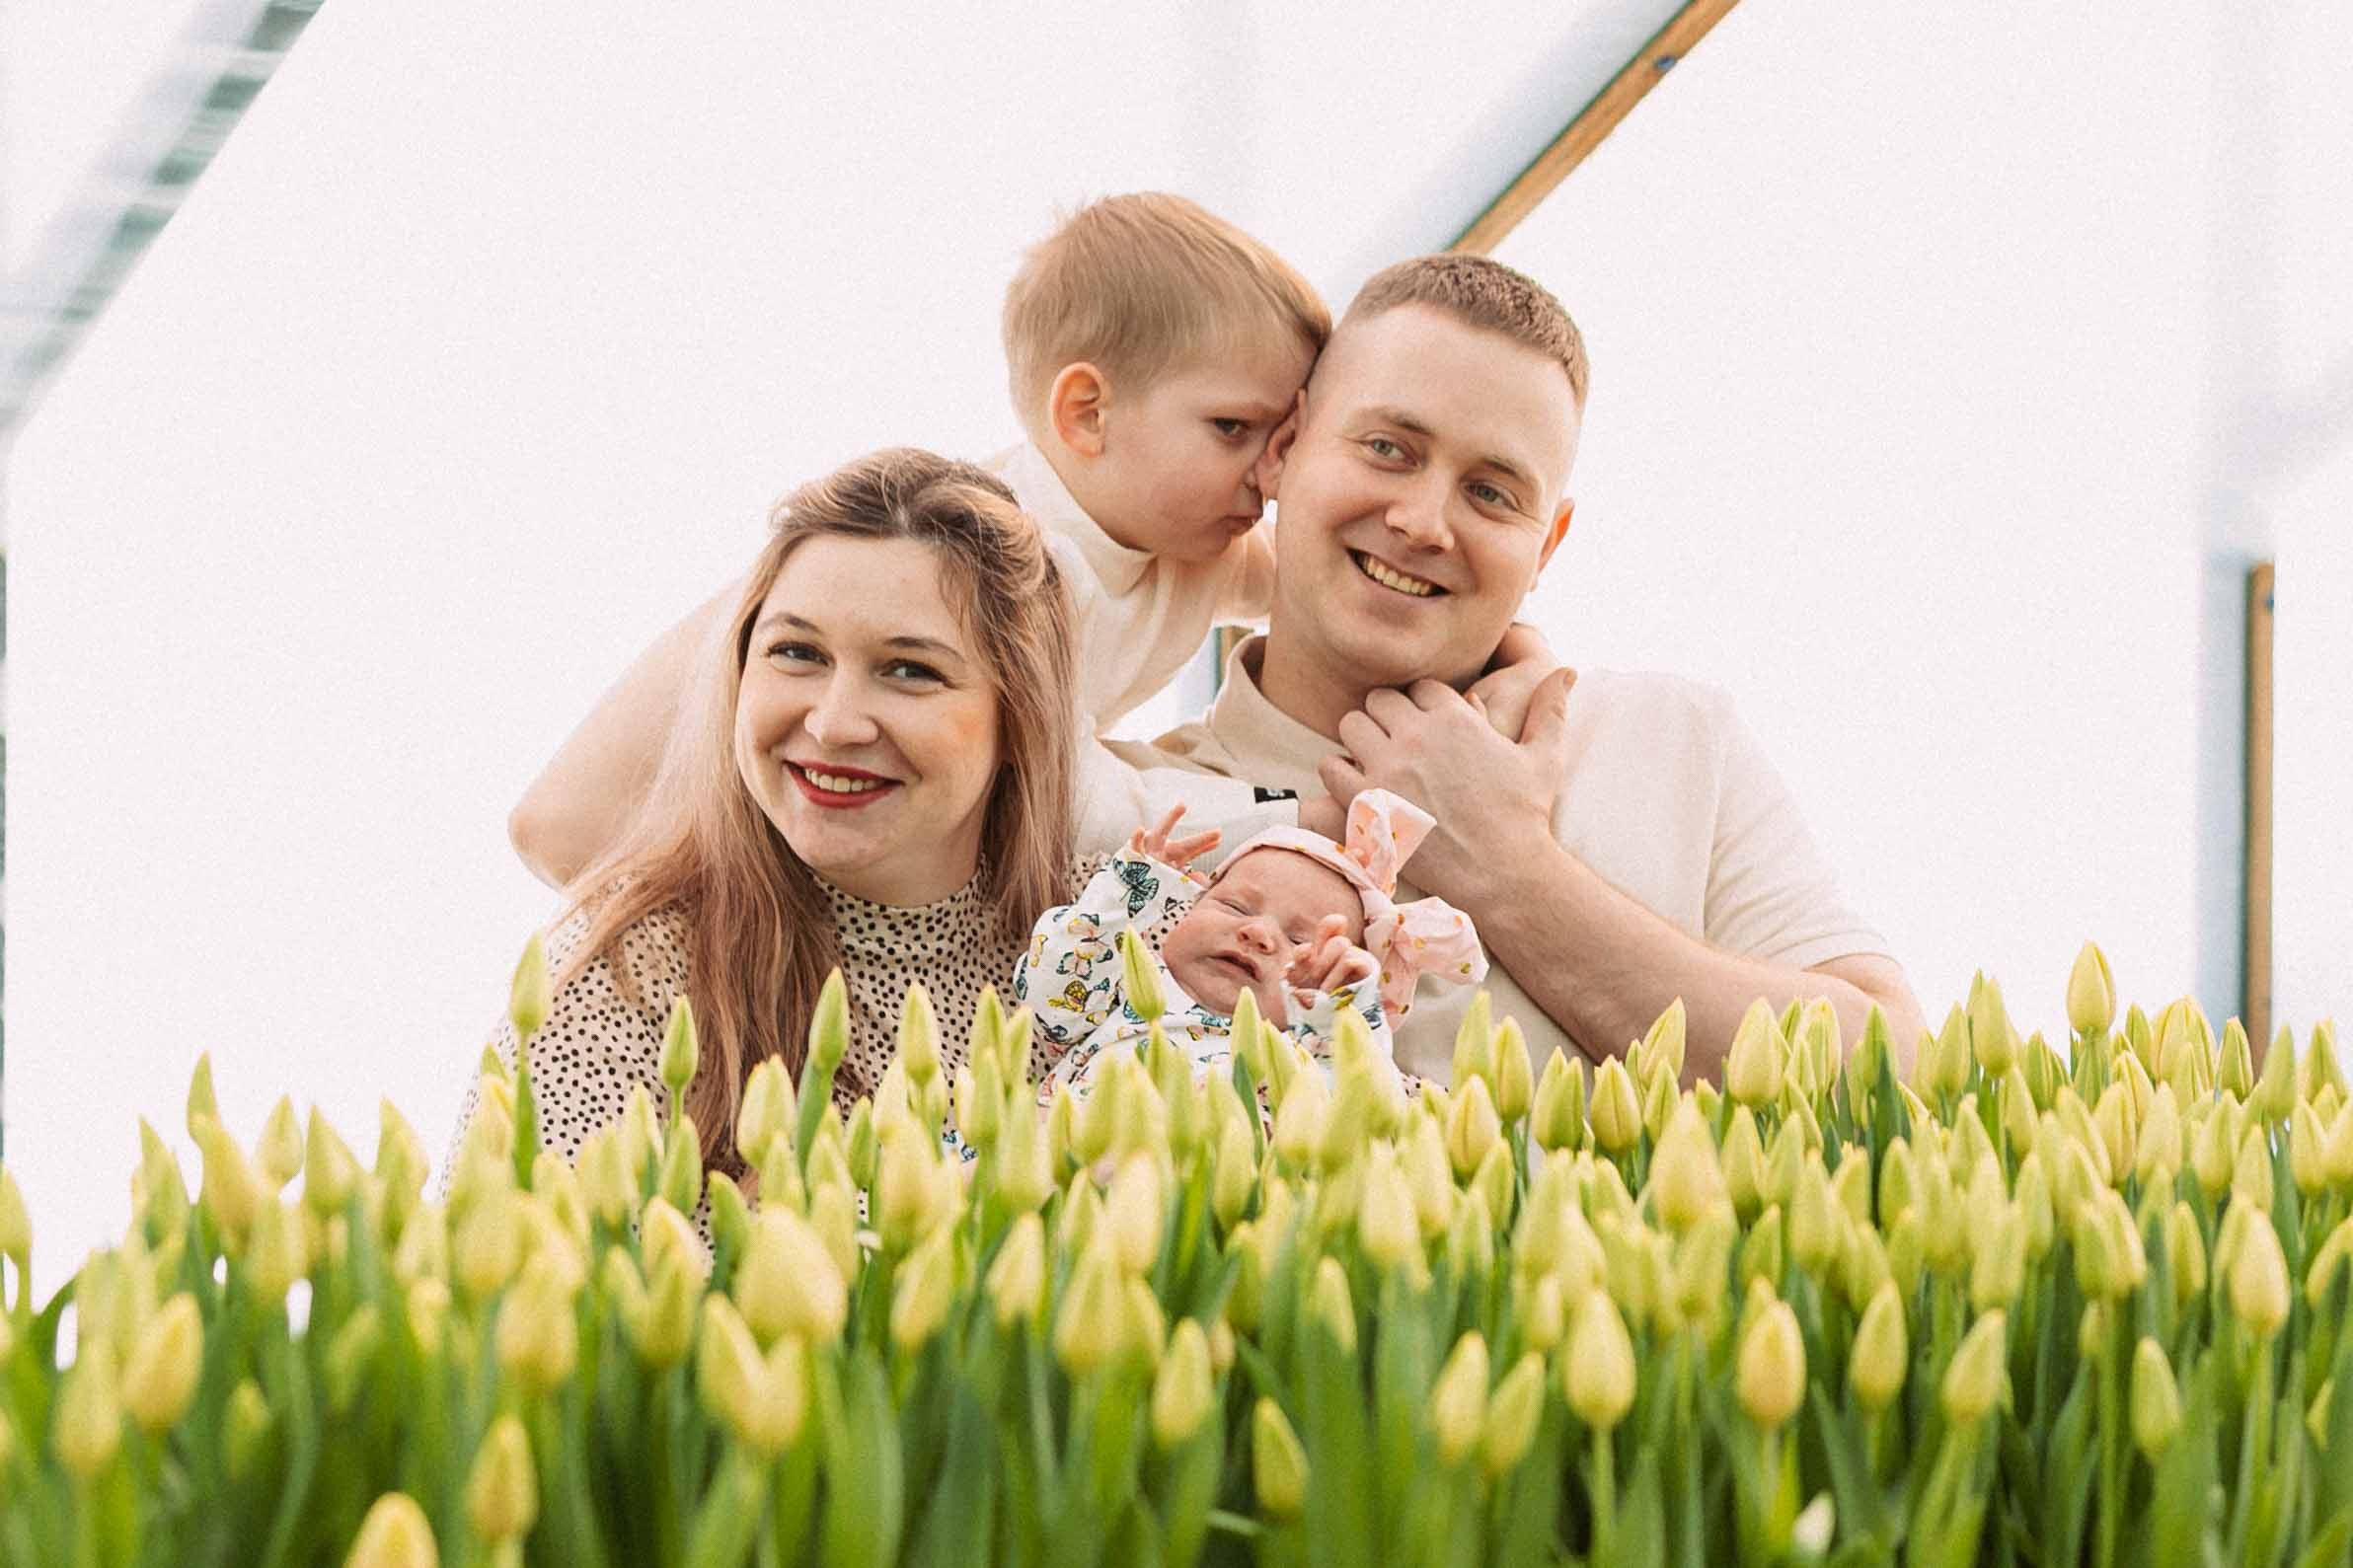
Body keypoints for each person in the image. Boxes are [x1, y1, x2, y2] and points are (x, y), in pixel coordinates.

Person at [1125, 253, 1927, 1082]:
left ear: (1546, 544)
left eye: (1492, 492)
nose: (1423, 520)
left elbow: (1893, 1070)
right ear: (1286, 449)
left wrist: (1509, 868)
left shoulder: (1678, 739)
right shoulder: (1138, 808)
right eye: (1388, 448)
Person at [442, 447, 1080, 1187]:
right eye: (797, 652)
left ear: (1019, 718)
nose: (836, 722)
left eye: (910, 669)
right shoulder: (628, 972)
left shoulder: (1113, 947)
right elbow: (502, 1281)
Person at [1015, 793, 1482, 1102]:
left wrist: (1338, 1009)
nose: (1259, 933)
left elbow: (1359, 1102)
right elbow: (1050, 991)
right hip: (1062, 1166)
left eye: (1301, 941)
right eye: (1235, 906)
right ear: (1187, 909)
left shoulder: (1293, 1054)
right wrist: (1126, 892)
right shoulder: (1126, 988)